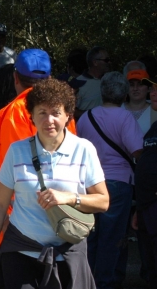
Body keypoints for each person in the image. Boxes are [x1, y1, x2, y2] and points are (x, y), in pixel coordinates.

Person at [0, 78, 109, 288]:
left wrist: (69, 198)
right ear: (32, 117)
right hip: (20, 252)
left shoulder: (84, 149)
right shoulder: (17, 151)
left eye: (56, 112)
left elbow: (103, 201)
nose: (49, 120)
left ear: (67, 115)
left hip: (69, 254)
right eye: (42, 112)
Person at [0, 49, 79, 239]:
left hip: (21, 221)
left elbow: (14, 169)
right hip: (59, 214)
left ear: (15, 77)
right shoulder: (63, 113)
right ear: (50, 79)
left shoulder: (14, 113)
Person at [76, 71, 143, 289]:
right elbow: (137, 152)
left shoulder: (86, 117)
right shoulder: (125, 118)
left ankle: (87, 280)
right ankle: (106, 282)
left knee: (91, 236)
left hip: (89, 184)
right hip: (118, 183)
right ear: (124, 94)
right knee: (113, 237)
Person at [134, 76, 157, 287]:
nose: (153, 93)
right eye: (153, 88)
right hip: (146, 208)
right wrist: (139, 209)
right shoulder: (154, 127)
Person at [75, 46, 111, 119]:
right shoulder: (78, 83)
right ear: (95, 62)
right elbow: (71, 111)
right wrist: (93, 116)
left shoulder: (109, 80)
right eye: (106, 60)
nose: (109, 62)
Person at [123, 69, 157, 134]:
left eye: (140, 84)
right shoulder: (117, 108)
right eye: (131, 84)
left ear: (149, 89)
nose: (135, 88)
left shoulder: (155, 109)